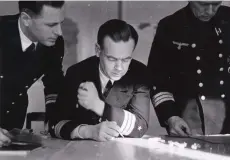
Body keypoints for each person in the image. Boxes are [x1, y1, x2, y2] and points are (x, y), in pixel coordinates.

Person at [49, 19, 150, 141]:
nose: (119, 67)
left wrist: (99, 106)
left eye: (126, 59)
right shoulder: (77, 72)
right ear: (97, 50)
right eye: (112, 59)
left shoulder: (139, 73)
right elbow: (55, 125)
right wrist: (87, 131)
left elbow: (141, 126)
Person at [147, 1, 230, 136]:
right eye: (203, 4)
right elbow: (157, 81)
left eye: (216, 4)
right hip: (189, 120)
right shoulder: (170, 26)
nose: (210, 11)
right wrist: (171, 117)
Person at [0, 1, 65, 146]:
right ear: (26, 19)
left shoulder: (55, 43)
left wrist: (52, 120)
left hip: (13, 119)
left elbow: (53, 83)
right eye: (51, 25)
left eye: (61, 23)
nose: (59, 32)